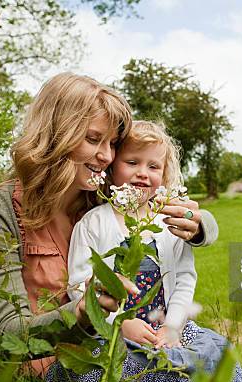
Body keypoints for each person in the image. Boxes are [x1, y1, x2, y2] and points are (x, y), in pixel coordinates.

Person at [0, 73, 242, 382]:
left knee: (204, 367)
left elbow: (184, 226)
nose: (107, 156)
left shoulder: (99, 199)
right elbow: (9, 331)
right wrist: (85, 314)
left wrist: (200, 228)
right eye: (93, 139)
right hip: (53, 365)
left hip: (114, 344)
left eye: (112, 144)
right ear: (56, 134)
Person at [68, 121, 199, 349]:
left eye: (154, 167)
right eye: (131, 162)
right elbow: (78, 284)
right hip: (111, 333)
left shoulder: (170, 224)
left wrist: (172, 326)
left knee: (203, 364)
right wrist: (119, 322)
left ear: (164, 173)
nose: (142, 173)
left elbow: (185, 280)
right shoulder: (93, 223)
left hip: (164, 333)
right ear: (111, 168)